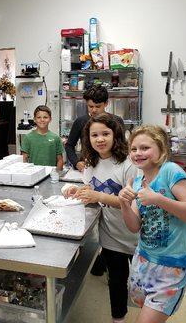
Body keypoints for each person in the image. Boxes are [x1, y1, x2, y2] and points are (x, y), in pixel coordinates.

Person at [118, 125, 186, 323]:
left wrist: (158, 199)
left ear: (162, 150)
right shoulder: (138, 182)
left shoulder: (170, 171)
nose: (138, 153)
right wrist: (123, 203)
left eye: (145, 148)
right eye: (134, 149)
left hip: (171, 267)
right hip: (143, 261)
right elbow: (134, 226)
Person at [63, 113, 138, 323]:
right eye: (94, 135)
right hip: (111, 234)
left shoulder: (127, 164)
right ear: (88, 138)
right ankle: (118, 319)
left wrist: (99, 196)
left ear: (116, 135)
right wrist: (77, 191)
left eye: (105, 133)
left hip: (135, 234)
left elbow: (134, 203)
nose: (100, 139)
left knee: (142, 282)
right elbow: (90, 189)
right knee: (117, 281)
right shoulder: (90, 163)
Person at [65, 84, 124, 172]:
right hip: (88, 167)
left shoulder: (117, 121)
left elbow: (122, 145)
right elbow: (69, 145)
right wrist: (76, 163)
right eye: (90, 106)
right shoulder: (80, 121)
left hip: (113, 166)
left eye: (98, 106)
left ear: (106, 103)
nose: (94, 110)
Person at [21, 105, 64, 170]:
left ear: (50, 119)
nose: (42, 120)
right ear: (34, 119)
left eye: (45, 117)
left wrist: (56, 174)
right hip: (33, 175)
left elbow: (60, 160)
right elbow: (24, 159)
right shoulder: (28, 138)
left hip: (50, 176)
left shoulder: (56, 138)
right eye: (39, 117)